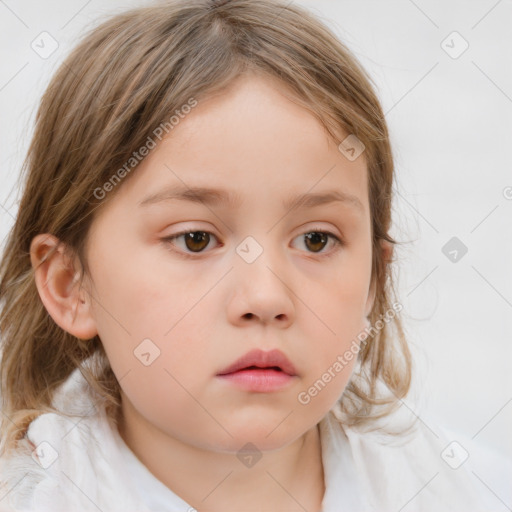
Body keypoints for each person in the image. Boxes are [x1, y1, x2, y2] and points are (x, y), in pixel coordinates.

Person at [0, 1, 504, 510]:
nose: (265, 297)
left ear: (375, 278)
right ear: (71, 285)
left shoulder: (471, 490)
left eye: (316, 240)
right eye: (195, 239)